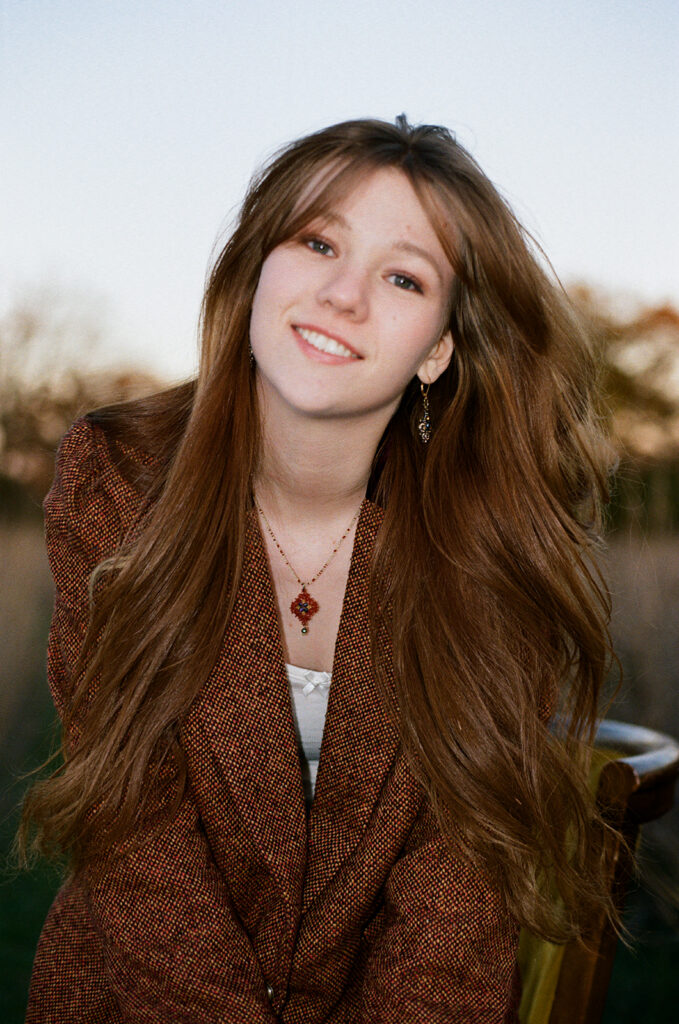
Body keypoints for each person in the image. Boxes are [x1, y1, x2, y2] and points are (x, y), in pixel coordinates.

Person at [21, 116, 618, 1023]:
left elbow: (450, 929)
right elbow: (135, 843)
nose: (344, 295)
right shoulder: (117, 482)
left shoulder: (487, 551)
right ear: (261, 264)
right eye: (318, 241)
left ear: (436, 350)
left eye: (403, 276)